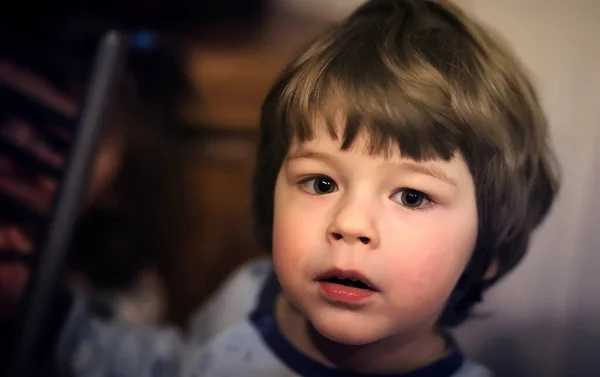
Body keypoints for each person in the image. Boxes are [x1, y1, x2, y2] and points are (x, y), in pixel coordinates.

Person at [55, 0, 559, 376]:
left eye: (411, 195)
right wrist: (59, 321)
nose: (349, 224)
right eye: (320, 182)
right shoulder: (248, 300)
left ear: (485, 249)